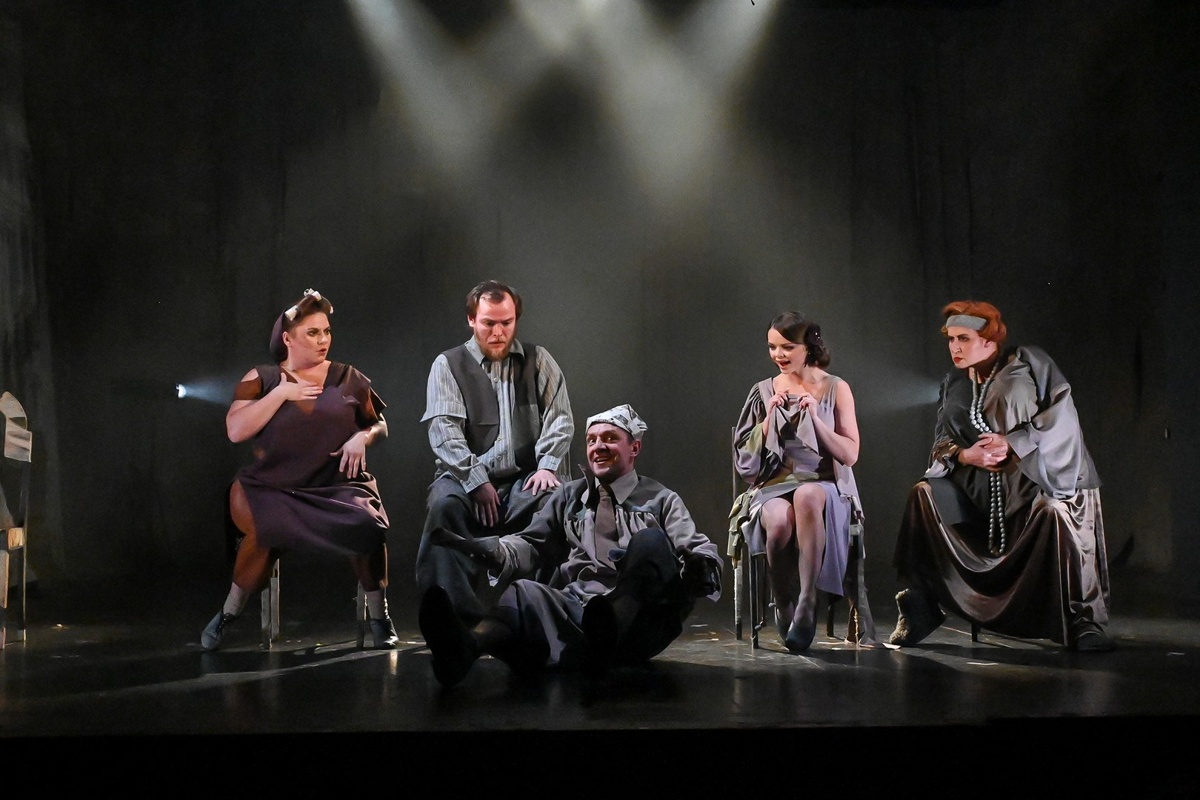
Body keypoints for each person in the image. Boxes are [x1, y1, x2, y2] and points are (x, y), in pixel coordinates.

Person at [417, 404, 723, 688]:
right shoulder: (570, 497)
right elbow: (532, 543)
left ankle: (608, 635)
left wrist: (699, 568)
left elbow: (697, 547)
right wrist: (496, 551)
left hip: (642, 621)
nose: (598, 447)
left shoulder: (661, 499)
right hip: (583, 612)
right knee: (524, 593)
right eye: (591, 440)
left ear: (634, 448)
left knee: (651, 541)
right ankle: (465, 650)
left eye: (610, 438)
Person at [889, 300, 1113, 651]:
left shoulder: (1028, 362)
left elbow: (1062, 416)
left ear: (990, 339)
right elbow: (941, 441)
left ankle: (1081, 621)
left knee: (1054, 513)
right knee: (924, 494)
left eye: (964, 338)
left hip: (1034, 483)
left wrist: (1013, 442)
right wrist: (966, 454)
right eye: (951, 339)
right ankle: (921, 606)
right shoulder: (955, 381)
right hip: (980, 493)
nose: (955, 347)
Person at [200, 289, 398, 650]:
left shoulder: (347, 377)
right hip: (273, 487)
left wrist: (363, 437)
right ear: (288, 338)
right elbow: (235, 431)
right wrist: (280, 394)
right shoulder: (263, 378)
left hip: (335, 486)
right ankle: (229, 611)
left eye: (327, 332)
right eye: (313, 332)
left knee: (368, 526)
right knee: (264, 527)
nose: (323, 340)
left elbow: (379, 425)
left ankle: (379, 614)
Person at [415, 280, 573, 624]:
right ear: (471, 320)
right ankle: (453, 618)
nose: (499, 332)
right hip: (464, 478)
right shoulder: (449, 364)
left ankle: (545, 611)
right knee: (444, 510)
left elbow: (559, 418)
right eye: (489, 323)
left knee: (556, 503)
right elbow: (444, 432)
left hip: (524, 477)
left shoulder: (538, 360)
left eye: (507, 323)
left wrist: (547, 466)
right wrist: (476, 481)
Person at [732, 312, 867, 653]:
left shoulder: (836, 388)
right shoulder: (762, 391)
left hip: (823, 483)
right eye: (772, 347)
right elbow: (744, 458)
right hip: (772, 484)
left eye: (788, 347)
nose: (778, 355)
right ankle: (783, 601)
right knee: (778, 521)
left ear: (809, 346)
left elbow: (849, 454)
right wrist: (767, 421)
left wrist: (816, 421)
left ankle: (807, 602)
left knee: (807, 495)